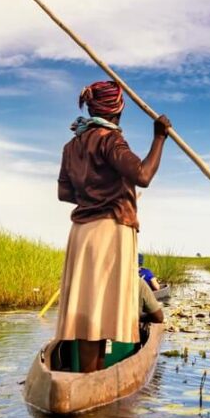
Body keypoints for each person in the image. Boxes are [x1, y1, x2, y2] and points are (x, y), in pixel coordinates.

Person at [55, 80, 171, 372]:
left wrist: (92, 194)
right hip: (111, 228)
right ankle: (92, 380)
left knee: (88, 308)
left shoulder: (72, 145)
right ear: (118, 108)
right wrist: (159, 138)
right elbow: (143, 175)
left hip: (82, 233)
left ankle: (88, 375)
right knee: (103, 308)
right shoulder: (110, 139)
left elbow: (65, 193)